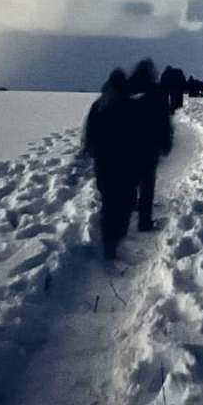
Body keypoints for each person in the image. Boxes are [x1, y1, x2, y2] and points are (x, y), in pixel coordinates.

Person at [82, 68, 133, 261]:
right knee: (124, 202)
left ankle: (108, 244)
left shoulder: (99, 105)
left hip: (103, 162)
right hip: (124, 163)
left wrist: (92, 151)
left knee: (109, 202)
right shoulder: (128, 105)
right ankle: (117, 237)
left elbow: (89, 135)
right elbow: (137, 137)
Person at [127, 58, 173, 231]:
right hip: (149, 145)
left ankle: (131, 204)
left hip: (128, 144)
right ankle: (144, 221)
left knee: (131, 178)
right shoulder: (157, 93)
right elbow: (164, 122)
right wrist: (166, 143)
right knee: (147, 182)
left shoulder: (127, 90)